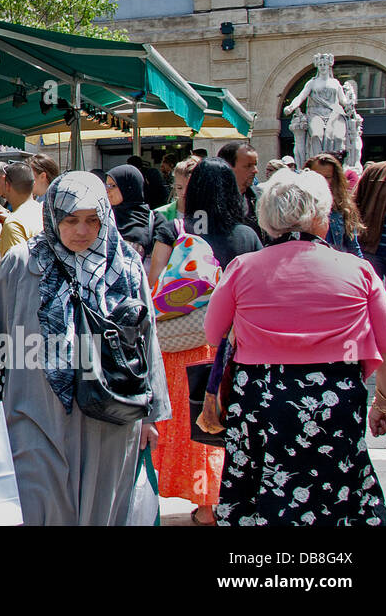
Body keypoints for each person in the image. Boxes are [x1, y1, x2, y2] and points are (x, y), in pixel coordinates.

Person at [0, 171, 170, 525]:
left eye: (93, 220)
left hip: (110, 416)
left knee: (99, 508)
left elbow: (145, 339)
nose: (82, 231)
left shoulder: (125, 266)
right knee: (38, 503)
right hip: (34, 410)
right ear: (53, 216)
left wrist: (150, 414)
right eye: (70, 219)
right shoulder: (23, 263)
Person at [205, 169, 386, 526]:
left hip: (260, 399)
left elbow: (213, 331)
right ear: (323, 218)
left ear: (267, 220)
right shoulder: (359, 270)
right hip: (334, 397)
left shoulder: (242, 268)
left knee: (260, 489)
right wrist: (384, 404)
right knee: (339, 487)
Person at [146, 157, 261, 525]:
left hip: (183, 343)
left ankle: (205, 505)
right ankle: (222, 496)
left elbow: (155, 283)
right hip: (234, 344)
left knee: (192, 424)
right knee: (224, 419)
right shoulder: (247, 235)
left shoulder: (178, 232)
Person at [353, 156, 386, 330]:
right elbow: (355, 204)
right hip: (371, 249)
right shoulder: (378, 171)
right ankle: (364, 349)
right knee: (364, 302)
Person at [306, 154, 364, 258]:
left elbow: (353, 247)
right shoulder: (297, 207)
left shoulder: (344, 206)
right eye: (317, 176)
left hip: (337, 265)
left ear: (335, 179)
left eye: (327, 177)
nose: (322, 181)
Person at [104, 164, 153, 260]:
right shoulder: (105, 217)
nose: (107, 190)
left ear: (128, 187)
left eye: (112, 186)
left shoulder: (155, 219)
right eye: (106, 185)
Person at [218, 140, 262, 240]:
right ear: (227, 167)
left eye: (255, 165)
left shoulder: (260, 197)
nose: (255, 170)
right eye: (248, 166)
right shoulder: (213, 201)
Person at [0, 162, 43, 256]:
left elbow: (16, 267)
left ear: (7, 185)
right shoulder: (43, 210)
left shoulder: (13, 224)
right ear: (33, 184)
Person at [152, 155, 200, 226]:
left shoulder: (209, 213)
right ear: (174, 186)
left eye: (189, 188)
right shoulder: (159, 214)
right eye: (179, 187)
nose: (184, 192)